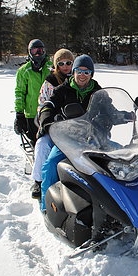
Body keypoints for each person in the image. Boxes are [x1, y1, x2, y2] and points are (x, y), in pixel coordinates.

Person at [37, 54, 102, 210]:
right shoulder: (62, 90)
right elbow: (48, 105)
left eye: (87, 72)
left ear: (91, 74)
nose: (82, 75)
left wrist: (124, 115)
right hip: (67, 139)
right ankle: (46, 204)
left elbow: (108, 110)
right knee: (51, 163)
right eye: (79, 70)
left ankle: (113, 202)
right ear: (73, 72)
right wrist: (47, 120)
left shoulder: (98, 91)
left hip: (91, 139)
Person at [29, 48, 75, 199]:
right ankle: (38, 180)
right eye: (61, 63)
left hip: (76, 126)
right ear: (56, 65)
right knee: (42, 144)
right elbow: (43, 104)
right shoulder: (51, 82)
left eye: (69, 62)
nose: (66, 66)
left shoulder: (80, 78)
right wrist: (48, 120)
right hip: (54, 125)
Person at [14, 39, 52, 144]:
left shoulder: (50, 67)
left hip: (49, 111)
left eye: (41, 50)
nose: (38, 54)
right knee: (35, 140)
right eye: (35, 51)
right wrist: (19, 113)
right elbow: (20, 93)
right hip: (32, 113)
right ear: (29, 52)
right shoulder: (24, 71)